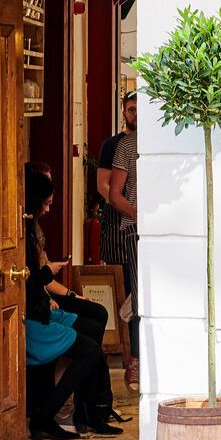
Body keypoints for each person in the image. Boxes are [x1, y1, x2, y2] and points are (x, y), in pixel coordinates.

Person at [24, 167, 119, 439]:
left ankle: (90, 409)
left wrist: (64, 293)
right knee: (91, 351)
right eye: (47, 203)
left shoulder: (31, 229)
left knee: (95, 320)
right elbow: (30, 281)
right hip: (35, 317)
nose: (49, 209)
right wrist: (48, 272)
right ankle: (50, 415)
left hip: (42, 309)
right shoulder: (22, 233)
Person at [98, 91, 140, 388]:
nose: (136, 113)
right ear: (123, 111)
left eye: (140, 108)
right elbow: (108, 189)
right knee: (128, 293)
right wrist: (135, 212)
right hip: (126, 227)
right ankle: (131, 357)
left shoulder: (158, 142)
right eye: (131, 109)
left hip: (141, 227)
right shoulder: (117, 146)